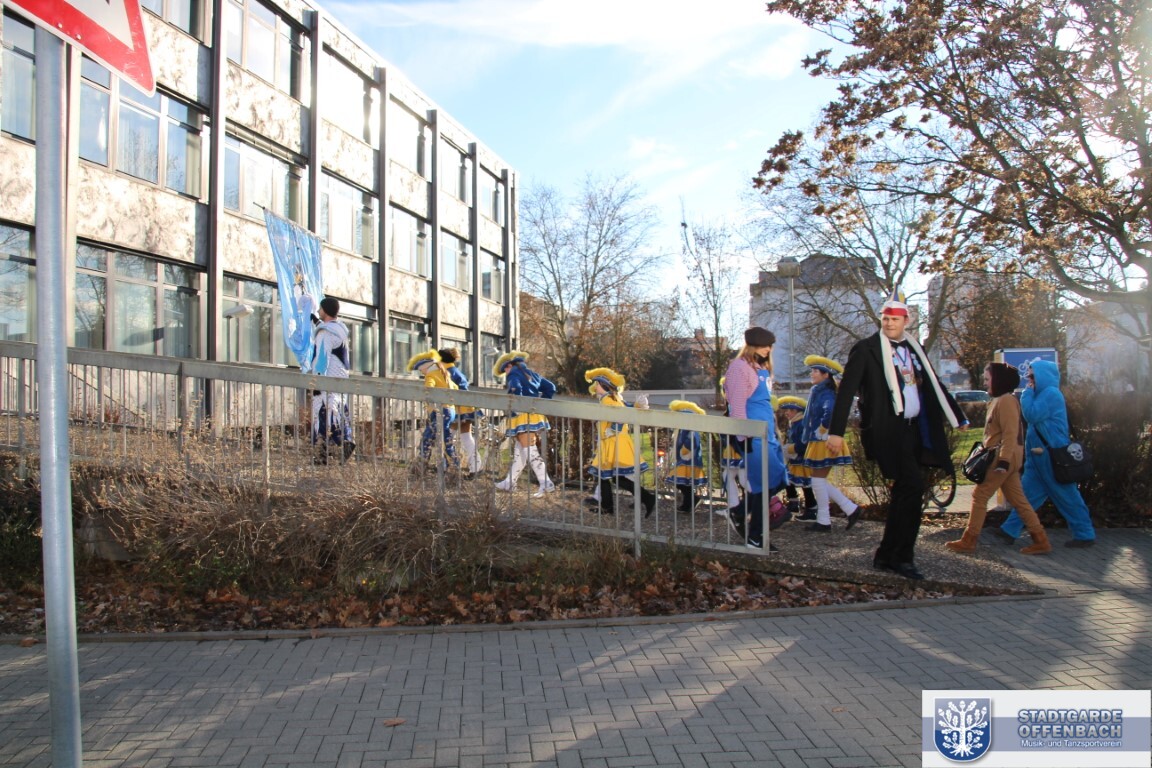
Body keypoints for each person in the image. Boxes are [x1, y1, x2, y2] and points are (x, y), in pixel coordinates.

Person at [827, 292, 968, 580]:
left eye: (895, 319)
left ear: (907, 321)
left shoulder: (915, 349)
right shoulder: (866, 349)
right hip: (888, 432)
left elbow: (934, 383)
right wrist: (836, 432)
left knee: (907, 493)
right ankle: (902, 558)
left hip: (916, 429)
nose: (889, 323)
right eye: (885, 318)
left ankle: (887, 555)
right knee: (912, 487)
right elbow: (846, 391)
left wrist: (958, 416)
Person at [946, 363, 1051, 554]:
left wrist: (1003, 461)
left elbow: (1010, 433)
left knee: (980, 496)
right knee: (1019, 501)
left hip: (1001, 458)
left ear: (999, 380)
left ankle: (969, 540)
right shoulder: (1001, 400)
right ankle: (1040, 540)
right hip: (1005, 457)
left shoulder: (1006, 401)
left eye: (988, 379)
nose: (985, 383)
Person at [993, 359, 1096, 547]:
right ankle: (1009, 530)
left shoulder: (1050, 394)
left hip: (1051, 456)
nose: (1029, 380)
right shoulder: (1043, 394)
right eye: (1028, 376)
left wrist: (1026, 394)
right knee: (1027, 496)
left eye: (1032, 376)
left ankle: (1085, 534)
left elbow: (1031, 414)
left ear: (1042, 376)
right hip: (1040, 457)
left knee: (1067, 497)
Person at [723, 326, 789, 551]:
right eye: (764, 346)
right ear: (752, 346)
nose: (768, 349)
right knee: (764, 484)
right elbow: (737, 405)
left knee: (778, 479)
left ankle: (740, 512)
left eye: (769, 346)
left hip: (766, 433)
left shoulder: (761, 368)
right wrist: (744, 436)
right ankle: (756, 536)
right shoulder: (739, 368)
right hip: (752, 435)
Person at [799, 355, 862, 532]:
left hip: (823, 439)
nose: (812, 374)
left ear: (825, 375)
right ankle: (845, 511)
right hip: (820, 439)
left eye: (815, 371)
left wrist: (822, 428)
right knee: (818, 481)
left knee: (817, 481)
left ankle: (828, 519)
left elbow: (830, 411)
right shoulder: (819, 390)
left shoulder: (825, 392)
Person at [585, 367, 657, 516]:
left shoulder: (608, 400)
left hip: (613, 442)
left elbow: (620, 415)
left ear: (604, 385)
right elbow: (626, 408)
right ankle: (642, 499)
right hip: (614, 441)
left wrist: (613, 429)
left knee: (608, 477)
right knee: (612, 477)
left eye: (597, 384)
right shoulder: (614, 398)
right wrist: (638, 405)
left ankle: (612, 507)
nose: (595, 387)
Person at [493, 350, 557, 497]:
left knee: (530, 450)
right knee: (521, 450)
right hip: (534, 414)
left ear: (509, 365)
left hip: (521, 415)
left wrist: (517, 407)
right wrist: (541, 403)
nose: (506, 373)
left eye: (505, 369)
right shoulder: (532, 374)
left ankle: (546, 483)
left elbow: (516, 388)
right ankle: (509, 482)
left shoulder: (513, 373)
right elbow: (551, 387)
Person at [310, 297, 355, 464]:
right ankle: (342, 443)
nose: (318, 311)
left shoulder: (326, 332)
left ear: (325, 310)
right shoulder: (339, 329)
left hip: (326, 380)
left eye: (320, 308)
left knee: (323, 414)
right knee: (337, 411)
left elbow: (322, 358)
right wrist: (318, 323)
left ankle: (324, 451)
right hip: (340, 378)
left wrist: (316, 380)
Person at [406, 349, 459, 471]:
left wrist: (424, 395)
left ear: (426, 366)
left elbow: (428, 388)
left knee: (428, 437)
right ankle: (452, 466)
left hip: (441, 412)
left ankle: (421, 465)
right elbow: (455, 388)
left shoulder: (431, 375)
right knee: (445, 439)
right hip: (450, 410)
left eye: (421, 370)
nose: (422, 372)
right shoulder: (444, 373)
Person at [438, 347, 483, 476]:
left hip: (458, 409)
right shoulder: (455, 371)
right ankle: (476, 467)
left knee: (446, 438)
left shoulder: (448, 372)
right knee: (465, 437)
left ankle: (447, 466)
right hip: (465, 408)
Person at [665, 400, 709, 514]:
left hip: (688, 459)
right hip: (686, 459)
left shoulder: (688, 429)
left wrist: (684, 450)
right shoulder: (684, 428)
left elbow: (691, 441)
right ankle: (688, 503)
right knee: (684, 482)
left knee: (680, 481)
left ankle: (692, 501)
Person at [778, 396, 817, 519]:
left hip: (801, 459)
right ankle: (793, 502)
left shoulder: (802, 424)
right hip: (794, 460)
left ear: (799, 411)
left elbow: (803, 443)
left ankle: (812, 508)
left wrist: (790, 449)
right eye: (786, 410)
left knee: (806, 485)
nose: (787, 413)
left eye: (791, 410)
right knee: (787, 480)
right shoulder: (794, 423)